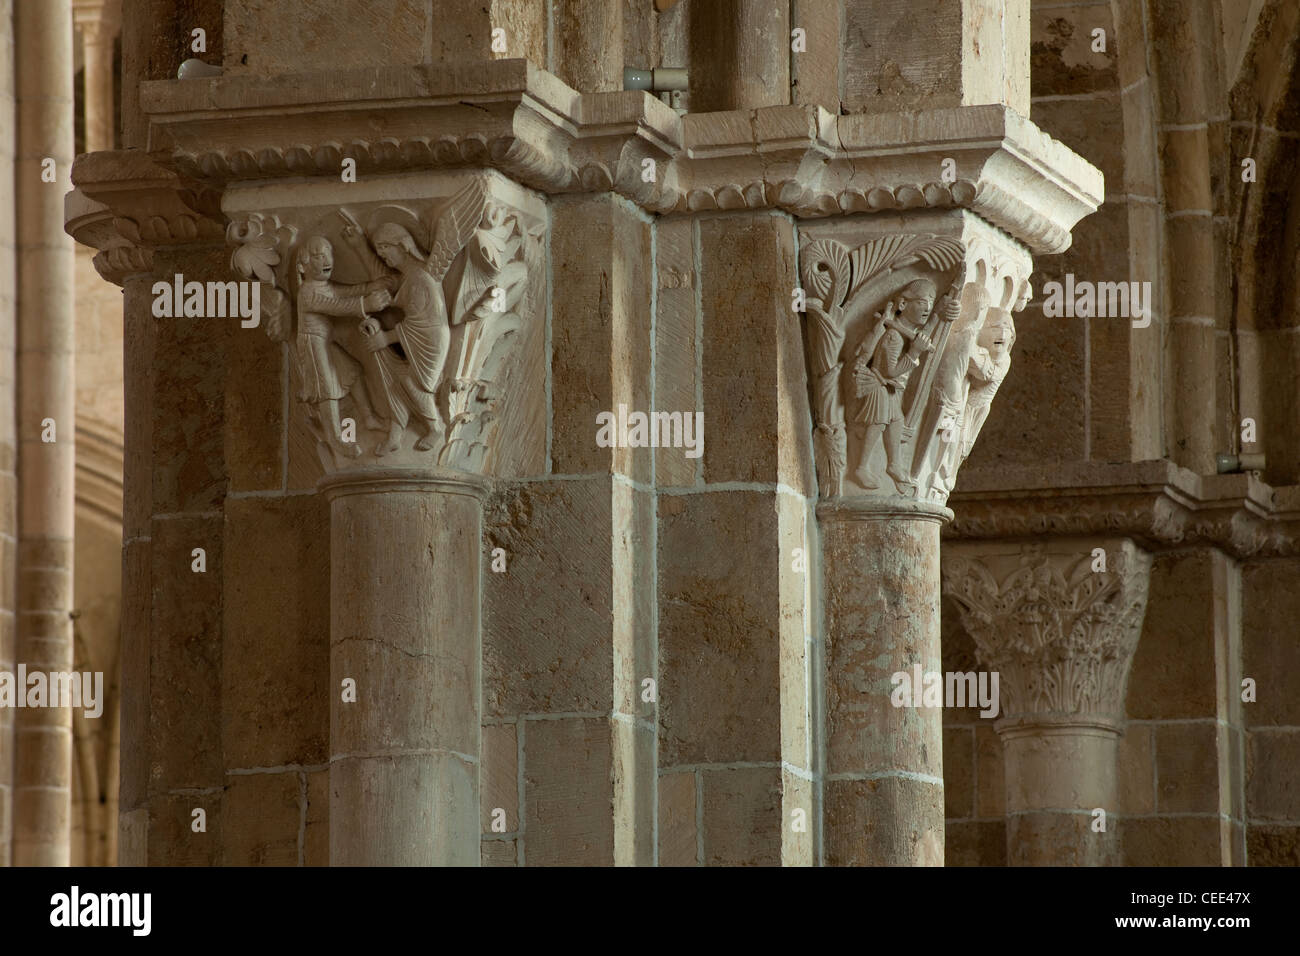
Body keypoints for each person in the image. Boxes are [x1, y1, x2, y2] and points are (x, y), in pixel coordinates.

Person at [293, 236, 390, 458]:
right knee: (326, 388)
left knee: (352, 370)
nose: (326, 260)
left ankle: (368, 418)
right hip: (312, 344)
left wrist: (372, 286)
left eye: (328, 255)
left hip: (324, 341)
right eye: (318, 257)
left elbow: (347, 291)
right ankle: (336, 438)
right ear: (302, 266)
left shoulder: (324, 285)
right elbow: (335, 306)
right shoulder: (307, 291)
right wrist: (367, 304)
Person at [851, 278, 938, 491]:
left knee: (896, 421)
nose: (927, 307)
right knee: (878, 423)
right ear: (902, 305)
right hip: (880, 386)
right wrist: (915, 352)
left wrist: (940, 314)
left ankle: (893, 465)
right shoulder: (894, 337)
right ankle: (861, 466)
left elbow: (929, 326)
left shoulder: (903, 334)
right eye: (920, 302)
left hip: (890, 390)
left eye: (931, 301)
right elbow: (889, 371)